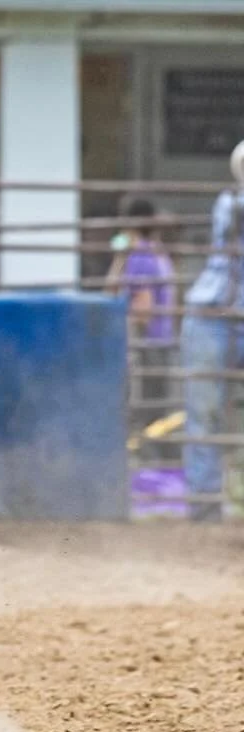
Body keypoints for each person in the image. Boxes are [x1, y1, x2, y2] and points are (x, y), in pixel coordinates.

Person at [181, 140, 244, 522]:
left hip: (217, 312)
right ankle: (203, 507)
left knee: (205, 412)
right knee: (204, 411)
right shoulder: (231, 203)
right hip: (214, 311)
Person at [105, 196, 177, 461]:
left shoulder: (141, 257)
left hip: (144, 345)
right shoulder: (156, 253)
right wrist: (119, 259)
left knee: (141, 413)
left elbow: (142, 310)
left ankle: (145, 471)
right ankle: (156, 469)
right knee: (156, 413)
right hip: (161, 341)